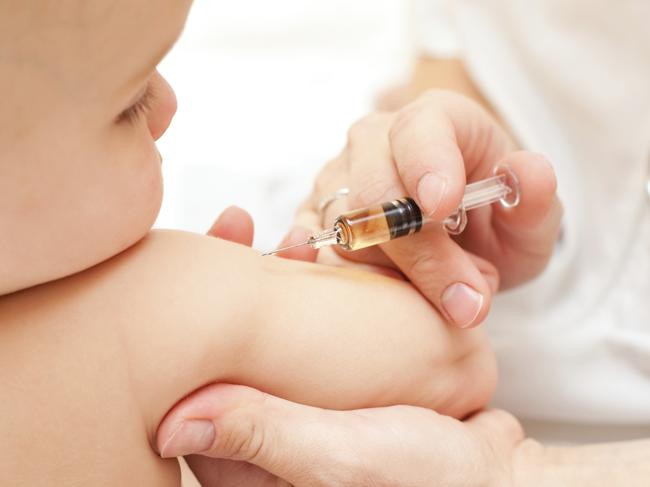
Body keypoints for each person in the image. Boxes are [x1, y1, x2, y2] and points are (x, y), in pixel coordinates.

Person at [0, 1, 558, 485]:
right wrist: (350, 274)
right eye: (129, 103)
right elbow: (453, 359)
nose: (166, 107)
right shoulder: (149, 307)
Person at [155, 0, 650, 485]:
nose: (162, 108)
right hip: (501, 318)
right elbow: (464, 43)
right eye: (130, 103)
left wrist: (523, 474)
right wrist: (423, 146)